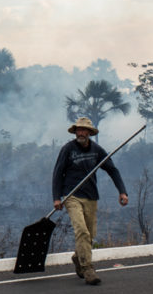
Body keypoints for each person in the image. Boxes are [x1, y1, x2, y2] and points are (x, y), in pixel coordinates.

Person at [52, 116, 129, 285]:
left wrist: (122, 192)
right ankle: (88, 269)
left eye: (84, 130)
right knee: (82, 232)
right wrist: (57, 197)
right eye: (78, 130)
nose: (81, 133)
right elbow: (58, 173)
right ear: (75, 132)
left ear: (89, 133)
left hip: (91, 196)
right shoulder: (68, 149)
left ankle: (78, 258)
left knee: (90, 236)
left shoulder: (97, 150)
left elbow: (113, 170)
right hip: (72, 196)